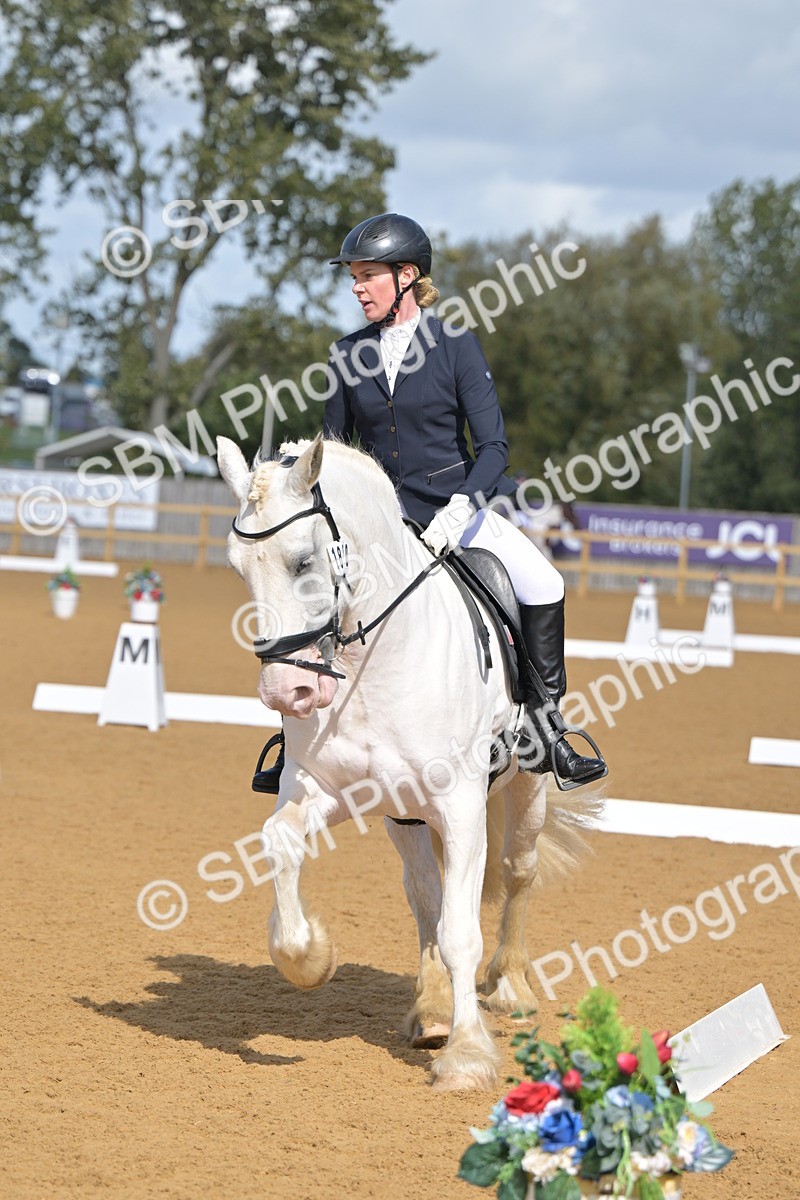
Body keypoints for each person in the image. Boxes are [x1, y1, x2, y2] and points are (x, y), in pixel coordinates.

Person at [252, 212, 606, 794]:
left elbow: (494, 447)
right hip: (380, 525)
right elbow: (333, 451)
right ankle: (294, 745)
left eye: (368, 276)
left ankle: (545, 725)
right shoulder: (346, 355)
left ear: (407, 276)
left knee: (545, 583)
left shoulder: (456, 346)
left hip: (455, 511)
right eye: (354, 278)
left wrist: (463, 507)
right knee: (317, 597)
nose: (357, 288)